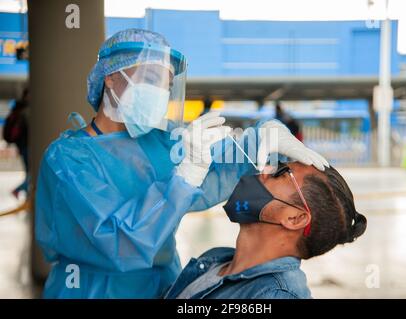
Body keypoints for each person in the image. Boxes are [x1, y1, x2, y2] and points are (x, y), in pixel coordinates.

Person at [35, 29, 329, 298]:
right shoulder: (68, 160)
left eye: (165, 86)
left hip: (163, 287)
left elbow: (211, 172)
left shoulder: (159, 142)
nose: (159, 94)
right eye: (150, 80)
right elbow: (120, 245)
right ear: (110, 77)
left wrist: (261, 139)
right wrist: (185, 177)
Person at [165, 162, 367, 299]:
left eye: (280, 172)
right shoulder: (214, 259)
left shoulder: (275, 295)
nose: (264, 169)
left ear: (294, 218)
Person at [2, 88, 29, 198]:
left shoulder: (18, 109)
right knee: (33, 174)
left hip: (22, 146)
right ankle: (19, 190)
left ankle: (23, 192)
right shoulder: (25, 110)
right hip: (26, 146)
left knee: (30, 173)